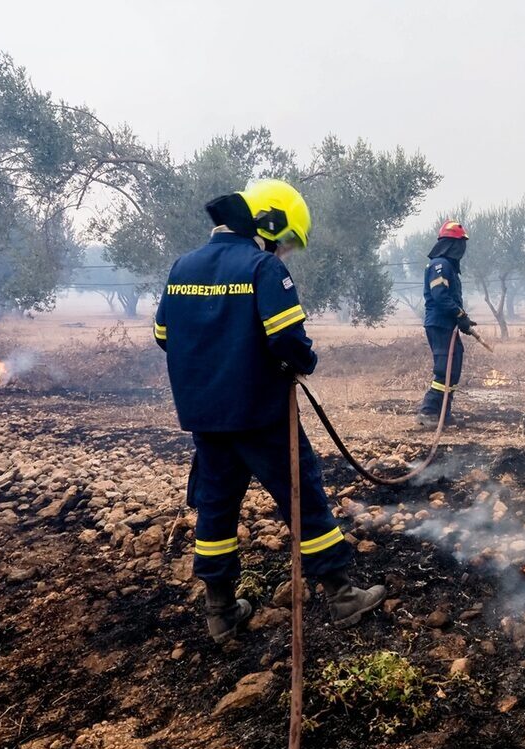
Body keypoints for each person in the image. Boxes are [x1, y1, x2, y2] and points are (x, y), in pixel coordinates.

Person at [152, 179, 385, 642]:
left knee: (216, 507)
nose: (285, 253)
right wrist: (301, 362)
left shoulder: (182, 267)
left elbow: (163, 336)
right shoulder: (261, 268)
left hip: (207, 418)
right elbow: (287, 339)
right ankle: (342, 596)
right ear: (270, 224)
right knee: (304, 499)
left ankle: (220, 611)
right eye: (287, 243)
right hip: (261, 414)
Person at [417, 220, 476, 427]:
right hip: (439, 324)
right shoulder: (439, 265)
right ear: (451, 244)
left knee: (455, 366)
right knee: (444, 369)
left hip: (448, 325)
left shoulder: (449, 267)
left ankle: (444, 413)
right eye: (460, 244)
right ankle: (428, 411)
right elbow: (440, 296)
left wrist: (462, 321)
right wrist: (459, 315)